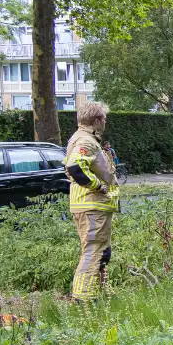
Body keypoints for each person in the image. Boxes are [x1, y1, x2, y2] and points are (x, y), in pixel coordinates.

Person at [64, 101, 119, 302]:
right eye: (104, 118)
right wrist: (99, 187)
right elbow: (75, 167)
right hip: (91, 205)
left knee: (102, 252)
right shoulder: (86, 141)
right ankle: (83, 299)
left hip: (93, 206)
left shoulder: (85, 138)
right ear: (96, 120)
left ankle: (99, 292)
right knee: (93, 251)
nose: (105, 122)